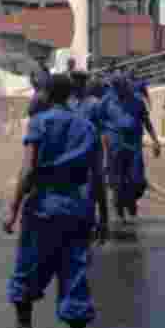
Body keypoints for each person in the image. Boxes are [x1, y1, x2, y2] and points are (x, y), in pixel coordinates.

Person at [2, 73, 99, 328]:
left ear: (47, 94)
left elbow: (28, 171)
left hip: (43, 209)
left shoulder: (39, 123)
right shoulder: (86, 127)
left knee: (25, 275)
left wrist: (13, 210)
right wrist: (103, 218)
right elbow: (96, 176)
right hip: (77, 209)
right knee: (75, 277)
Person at [101, 73, 162, 225]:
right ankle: (119, 209)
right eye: (115, 86)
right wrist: (103, 140)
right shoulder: (107, 101)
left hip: (134, 144)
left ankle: (130, 199)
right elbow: (99, 121)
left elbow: (146, 121)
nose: (118, 89)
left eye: (121, 85)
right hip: (115, 144)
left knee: (137, 179)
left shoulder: (137, 101)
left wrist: (155, 140)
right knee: (117, 180)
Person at [70, 71, 109, 245]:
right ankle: (83, 223)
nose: (76, 86)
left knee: (97, 186)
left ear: (84, 84)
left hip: (93, 154)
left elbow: (103, 131)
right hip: (74, 155)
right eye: (74, 83)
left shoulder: (94, 105)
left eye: (79, 83)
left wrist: (105, 156)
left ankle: (103, 220)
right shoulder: (70, 104)